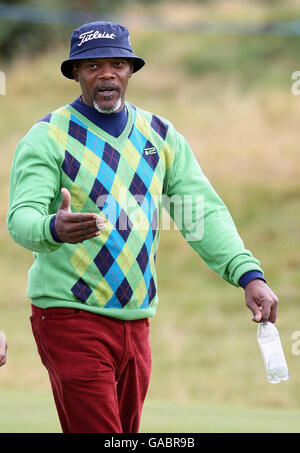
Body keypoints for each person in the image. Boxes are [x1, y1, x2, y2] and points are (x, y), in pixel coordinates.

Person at [7, 21, 278, 433]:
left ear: (131, 71)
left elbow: (202, 213)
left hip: (137, 321)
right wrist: (52, 227)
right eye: (93, 65)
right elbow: (20, 219)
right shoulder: (46, 138)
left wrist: (247, 274)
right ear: (75, 73)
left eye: (117, 63)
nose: (107, 74)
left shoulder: (161, 135)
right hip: (69, 318)